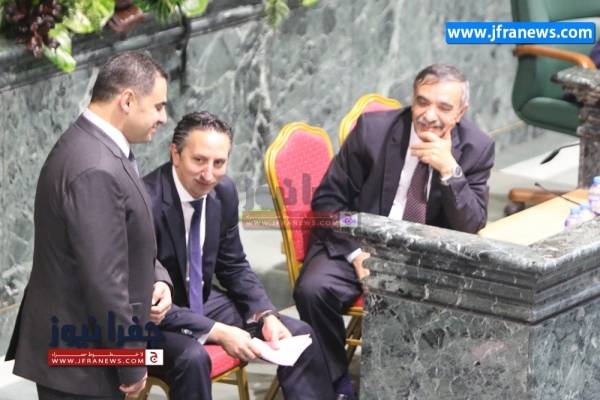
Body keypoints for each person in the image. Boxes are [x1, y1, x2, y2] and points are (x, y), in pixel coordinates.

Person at [293, 64, 495, 399]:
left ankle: (407, 387)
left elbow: (470, 225)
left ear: (461, 112)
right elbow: (328, 200)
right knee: (313, 289)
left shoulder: (477, 147)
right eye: (422, 101)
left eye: (444, 107)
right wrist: (357, 254)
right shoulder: (373, 131)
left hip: (424, 256)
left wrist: (450, 171)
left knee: (446, 304)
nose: (429, 115)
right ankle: (334, 386)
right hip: (359, 241)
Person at [6, 52, 173, 399]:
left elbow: (122, 238)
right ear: (127, 100)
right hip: (82, 361)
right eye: (158, 106)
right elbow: (104, 279)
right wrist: (130, 360)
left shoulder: (98, 147)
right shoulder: (95, 166)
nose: (163, 117)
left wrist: (158, 278)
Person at [143, 111, 336, 400]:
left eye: (218, 163)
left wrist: (265, 313)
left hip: (203, 299)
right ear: (175, 154)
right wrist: (217, 331)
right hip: (152, 317)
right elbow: (142, 297)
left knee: (297, 333)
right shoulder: (145, 200)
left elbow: (233, 265)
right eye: (199, 160)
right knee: (192, 358)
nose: (209, 174)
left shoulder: (224, 192)